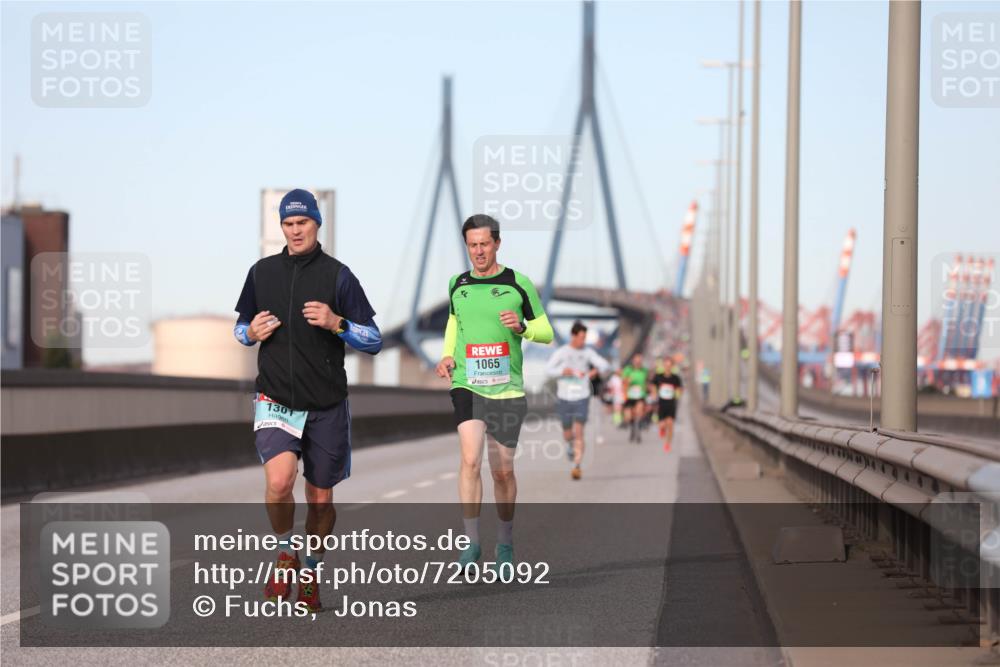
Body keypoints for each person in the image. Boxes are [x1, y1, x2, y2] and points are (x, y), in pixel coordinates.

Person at [234, 188, 382, 611]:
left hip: (326, 404)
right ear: (281, 227)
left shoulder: (339, 276)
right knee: (279, 482)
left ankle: (312, 570)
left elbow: (374, 340)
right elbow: (241, 329)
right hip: (276, 397)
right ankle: (286, 552)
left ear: (317, 223)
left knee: (320, 499)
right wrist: (251, 333)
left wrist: (338, 323)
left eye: (303, 222)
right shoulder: (261, 273)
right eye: (288, 223)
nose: (295, 230)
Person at [435, 214, 553, 570]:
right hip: (467, 384)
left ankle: (504, 544)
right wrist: (446, 355)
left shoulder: (519, 283)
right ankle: (471, 544)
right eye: (472, 245)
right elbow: (454, 322)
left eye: (485, 244)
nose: (479, 251)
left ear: (497, 243)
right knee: (470, 460)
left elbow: (546, 332)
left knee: (502, 471)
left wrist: (523, 328)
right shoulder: (457, 284)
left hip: (506, 389)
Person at [544, 320, 610, 480]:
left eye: (584, 338)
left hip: (582, 396)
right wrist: (563, 371)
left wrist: (595, 371)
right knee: (567, 432)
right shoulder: (562, 352)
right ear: (573, 336)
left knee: (579, 432)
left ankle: (576, 466)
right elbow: (548, 369)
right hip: (564, 397)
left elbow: (605, 365)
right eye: (581, 337)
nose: (583, 341)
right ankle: (569, 445)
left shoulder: (588, 352)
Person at [652, 361, 684, 452]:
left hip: (671, 404)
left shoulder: (675, 378)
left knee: (670, 424)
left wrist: (678, 393)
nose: (667, 367)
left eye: (669, 366)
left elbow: (680, 388)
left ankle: (668, 444)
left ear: (672, 367)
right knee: (662, 424)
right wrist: (654, 394)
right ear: (664, 366)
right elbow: (653, 386)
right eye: (666, 365)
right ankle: (662, 429)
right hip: (661, 404)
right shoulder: (658, 377)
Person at [621, 352, 650, 443]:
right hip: (630, 395)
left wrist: (646, 388)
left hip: (640, 395)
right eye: (636, 360)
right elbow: (623, 382)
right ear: (633, 360)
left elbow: (647, 382)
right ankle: (632, 429)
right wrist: (628, 382)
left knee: (638, 412)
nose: (638, 362)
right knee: (629, 416)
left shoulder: (644, 370)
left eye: (639, 360)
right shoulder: (628, 370)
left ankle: (638, 432)